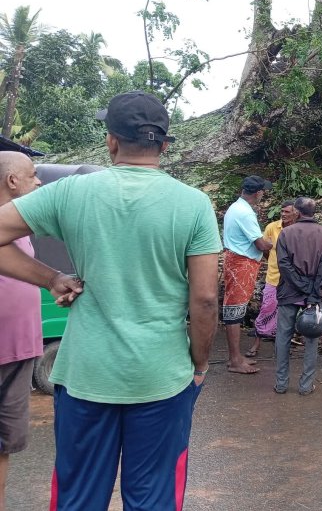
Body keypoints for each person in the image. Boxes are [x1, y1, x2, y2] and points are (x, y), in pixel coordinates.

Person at [0, 91, 221, 509]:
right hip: (161, 377)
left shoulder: (70, 193)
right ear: (165, 146)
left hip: (86, 374)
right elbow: (206, 298)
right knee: (153, 496)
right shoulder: (193, 204)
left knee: (78, 496)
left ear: (111, 141)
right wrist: (200, 363)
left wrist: (50, 278)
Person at [0, 152, 43, 511]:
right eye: (32, 175)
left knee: (5, 445)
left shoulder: (23, 223)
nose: (38, 182)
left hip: (20, 351)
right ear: (12, 181)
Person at [274, 197, 322, 395]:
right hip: (315, 294)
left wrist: (301, 285)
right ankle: (306, 385)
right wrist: (313, 291)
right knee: (311, 336)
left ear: (297, 212)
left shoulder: (286, 233)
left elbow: (284, 265)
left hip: (289, 291)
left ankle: (281, 383)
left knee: (283, 336)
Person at [222, 175, 273, 374]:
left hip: (239, 261)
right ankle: (235, 360)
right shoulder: (244, 212)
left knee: (236, 309)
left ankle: (236, 357)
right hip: (241, 264)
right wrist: (277, 242)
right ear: (258, 193)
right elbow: (260, 244)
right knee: (234, 311)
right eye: (263, 191)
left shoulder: (237, 208)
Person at [246, 201, 296, 359]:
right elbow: (265, 249)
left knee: (287, 314)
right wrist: (274, 261)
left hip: (292, 281)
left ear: (296, 213)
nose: (284, 214)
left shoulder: (298, 230)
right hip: (273, 277)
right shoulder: (272, 227)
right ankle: (257, 342)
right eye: (282, 211)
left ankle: (282, 346)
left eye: (288, 211)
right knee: (267, 308)